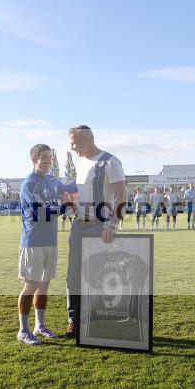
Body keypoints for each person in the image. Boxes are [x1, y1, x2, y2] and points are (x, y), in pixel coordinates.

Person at [64, 125, 126, 339]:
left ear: (86, 141)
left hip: (101, 226)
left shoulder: (110, 161)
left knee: (99, 275)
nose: (71, 147)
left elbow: (121, 196)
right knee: (73, 276)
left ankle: (99, 320)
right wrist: (69, 203)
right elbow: (78, 195)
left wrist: (112, 225)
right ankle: (74, 321)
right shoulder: (81, 163)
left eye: (73, 143)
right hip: (79, 225)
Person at [17, 144, 77, 345]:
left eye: (50, 158)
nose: (49, 162)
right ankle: (23, 330)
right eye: (45, 158)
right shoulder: (29, 184)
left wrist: (90, 174)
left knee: (44, 286)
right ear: (34, 160)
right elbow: (40, 214)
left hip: (50, 242)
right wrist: (63, 208)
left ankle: (39, 326)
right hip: (33, 241)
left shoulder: (53, 181)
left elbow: (70, 188)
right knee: (30, 286)